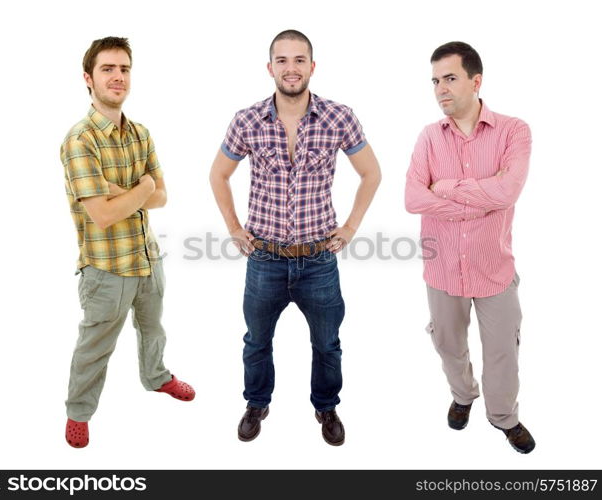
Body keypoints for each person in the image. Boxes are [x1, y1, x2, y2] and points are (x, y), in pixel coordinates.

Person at [210, 30, 381, 446]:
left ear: (312, 67)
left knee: (327, 343)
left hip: (318, 259)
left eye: (299, 60)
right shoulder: (247, 120)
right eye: (282, 61)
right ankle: (256, 403)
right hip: (264, 258)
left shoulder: (339, 117)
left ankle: (326, 406)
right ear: (270, 68)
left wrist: (351, 227)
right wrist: (234, 227)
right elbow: (219, 174)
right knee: (256, 341)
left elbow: (371, 173)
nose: (291, 68)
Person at [61, 36, 195, 448]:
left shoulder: (140, 133)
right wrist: (142, 188)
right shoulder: (80, 140)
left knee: (153, 328)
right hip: (106, 269)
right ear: (88, 78)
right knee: (95, 345)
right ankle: (78, 412)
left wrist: (125, 194)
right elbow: (101, 215)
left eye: (124, 69)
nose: (118, 77)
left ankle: (155, 377)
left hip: (147, 258)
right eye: (108, 69)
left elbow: (164, 195)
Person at [405, 41, 535, 453]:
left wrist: (444, 190)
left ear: (476, 81)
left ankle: (504, 418)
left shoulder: (514, 131)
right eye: (435, 81)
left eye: (450, 78)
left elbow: (508, 191)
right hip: (442, 269)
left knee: (502, 352)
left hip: (494, 267)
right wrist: (478, 200)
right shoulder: (428, 137)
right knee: (447, 344)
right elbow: (412, 199)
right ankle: (463, 396)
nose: (440, 89)